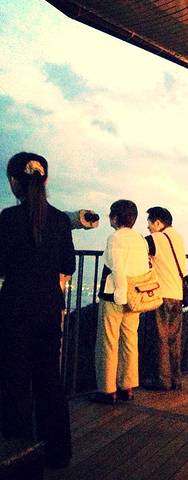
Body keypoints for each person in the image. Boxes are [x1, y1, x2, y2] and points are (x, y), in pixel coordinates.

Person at [0, 153, 75, 468]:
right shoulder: (59, 220)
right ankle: (58, 453)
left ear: (14, 182)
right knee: (48, 379)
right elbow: (68, 264)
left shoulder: (7, 219)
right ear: (45, 180)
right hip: (48, 308)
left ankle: (18, 457)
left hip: (15, 309)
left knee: (14, 381)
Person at [94, 199, 150, 404]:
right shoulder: (140, 239)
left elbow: (117, 268)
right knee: (129, 340)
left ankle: (107, 390)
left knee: (108, 342)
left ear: (116, 218)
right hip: (134, 296)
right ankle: (127, 386)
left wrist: (120, 294)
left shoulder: (115, 238)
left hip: (114, 296)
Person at [142, 207, 186, 391]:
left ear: (158, 222)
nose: (148, 228)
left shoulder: (156, 238)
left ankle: (162, 380)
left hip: (162, 294)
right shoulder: (178, 237)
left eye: (150, 224)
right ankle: (176, 379)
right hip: (177, 294)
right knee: (174, 338)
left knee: (160, 337)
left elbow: (139, 252)